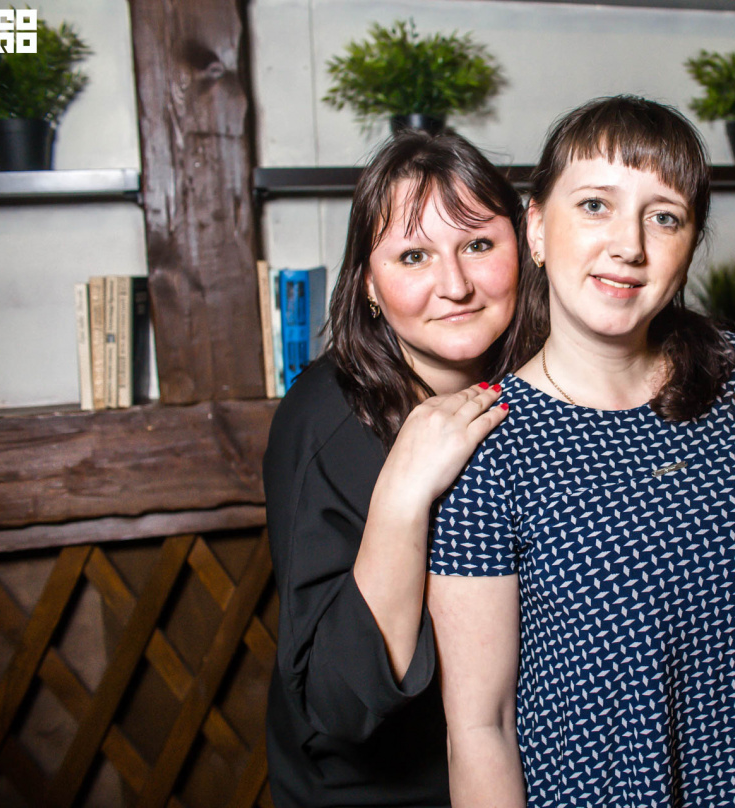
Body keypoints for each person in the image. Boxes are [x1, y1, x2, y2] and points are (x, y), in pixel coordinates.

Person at [426, 96, 735, 808]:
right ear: (536, 228)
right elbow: (480, 727)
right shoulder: (489, 443)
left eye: (665, 217)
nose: (629, 245)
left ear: (691, 243)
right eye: (595, 205)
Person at [263, 130, 525, 808]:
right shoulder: (325, 420)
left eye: (478, 245)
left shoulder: (540, 385)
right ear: (369, 286)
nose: (456, 285)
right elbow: (339, 701)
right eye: (414, 256)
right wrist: (404, 493)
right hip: (382, 790)